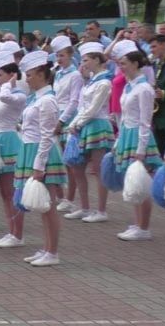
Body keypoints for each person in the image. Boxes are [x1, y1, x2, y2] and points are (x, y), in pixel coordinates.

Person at [16, 51, 66, 266]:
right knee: (42, 206)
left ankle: (52, 252)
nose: (26, 79)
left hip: (42, 154)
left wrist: (39, 165)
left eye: (29, 75)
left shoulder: (47, 101)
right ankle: (46, 248)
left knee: (48, 205)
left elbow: (47, 136)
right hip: (32, 150)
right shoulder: (37, 98)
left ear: (41, 74)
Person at [113, 45, 163, 242]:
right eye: (120, 64)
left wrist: (141, 149)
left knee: (142, 182)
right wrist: (119, 139)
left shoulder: (143, 89)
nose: (121, 67)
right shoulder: (129, 85)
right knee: (133, 181)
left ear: (135, 63)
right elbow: (125, 116)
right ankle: (138, 223)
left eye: (124, 63)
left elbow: (145, 121)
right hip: (127, 134)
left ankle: (144, 227)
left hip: (139, 137)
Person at [62, 42, 114, 223]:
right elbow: (82, 107)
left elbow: (93, 109)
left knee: (98, 170)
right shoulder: (90, 81)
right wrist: (74, 124)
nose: (82, 63)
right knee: (77, 168)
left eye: (86, 60)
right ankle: (84, 207)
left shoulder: (104, 82)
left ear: (97, 60)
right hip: (83, 126)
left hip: (97, 125)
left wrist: (76, 124)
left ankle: (101, 210)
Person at [0, 53, 27, 248]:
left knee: (11, 192)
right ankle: (11, 231)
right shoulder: (0, 94)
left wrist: (9, 84)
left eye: (0, 75)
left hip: (9, 142)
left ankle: (17, 234)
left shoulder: (18, 95)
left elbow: (5, 97)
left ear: (12, 75)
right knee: (4, 192)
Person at [49, 36, 83, 216]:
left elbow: (74, 101)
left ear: (70, 55)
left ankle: (70, 199)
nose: (59, 59)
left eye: (62, 55)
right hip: (57, 117)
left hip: (68, 119)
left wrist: (62, 121)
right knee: (59, 159)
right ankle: (62, 196)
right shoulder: (58, 73)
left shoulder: (75, 75)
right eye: (57, 55)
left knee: (70, 162)